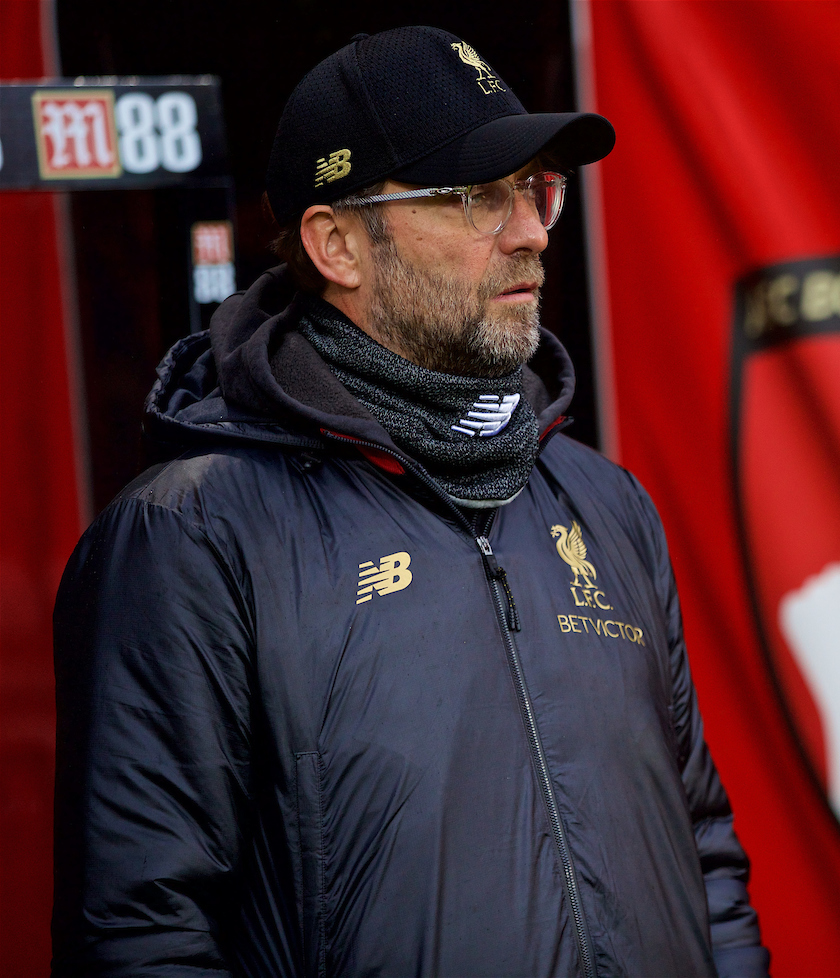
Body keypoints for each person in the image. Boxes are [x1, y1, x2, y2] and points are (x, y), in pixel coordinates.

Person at [52, 26, 769, 977]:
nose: (531, 231)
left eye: (537, 188)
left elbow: (705, 855)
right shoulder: (190, 536)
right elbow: (141, 932)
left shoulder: (606, 503)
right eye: (476, 197)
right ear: (338, 242)